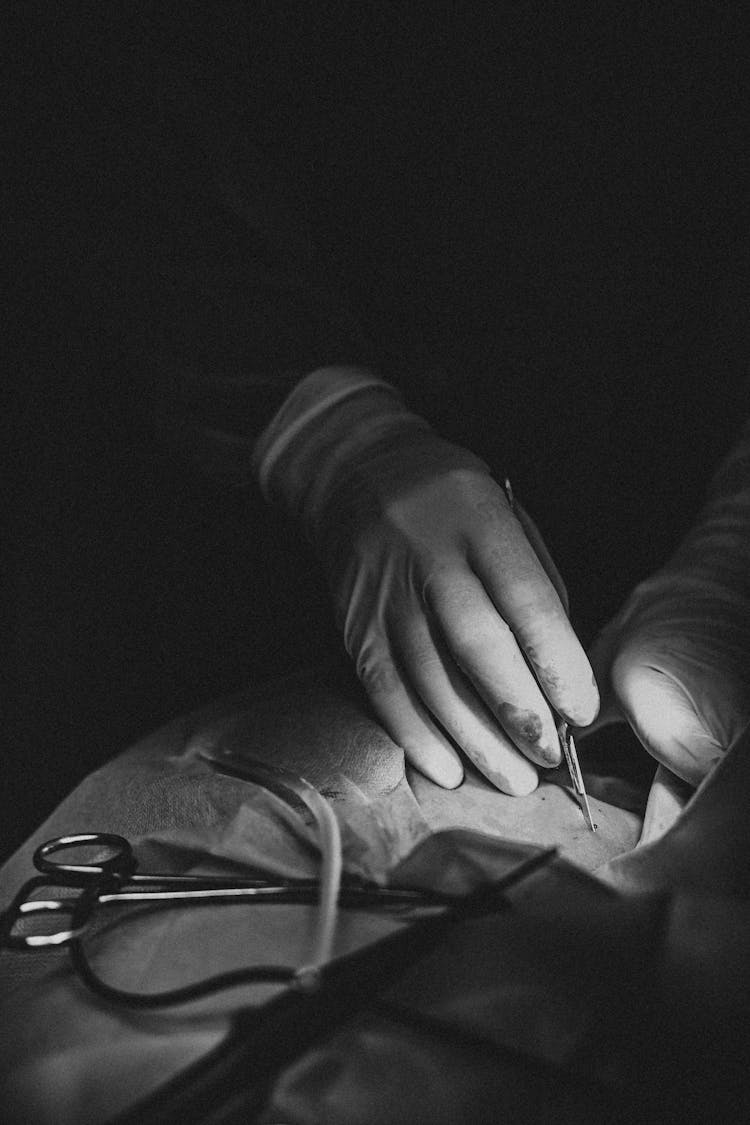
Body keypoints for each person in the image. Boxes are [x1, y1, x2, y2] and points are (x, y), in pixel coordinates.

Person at [7, 5, 748, 847]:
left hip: (651, 435)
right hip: (194, 542)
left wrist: (731, 551)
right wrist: (326, 432)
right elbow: (84, 130)